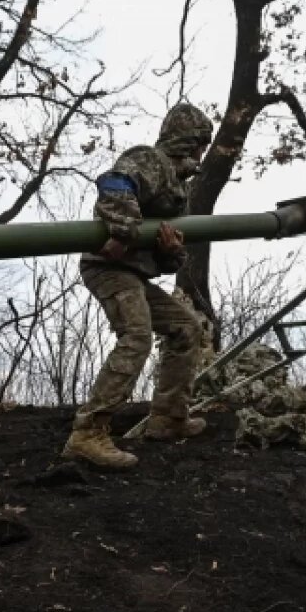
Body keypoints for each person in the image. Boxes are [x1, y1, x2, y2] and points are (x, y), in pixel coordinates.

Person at [61, 104, 213, 469]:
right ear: (188, 142)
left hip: (135, 274)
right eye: (200, 144)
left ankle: (168, 419)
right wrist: (127, 232)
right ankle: (87, 433)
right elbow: (115, 184)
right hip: (107, 267)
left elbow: (167, 259)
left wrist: (171, 252)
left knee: (187, 328)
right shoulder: (149, 159)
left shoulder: (179, 189)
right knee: (137, 334)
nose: (201, 154)